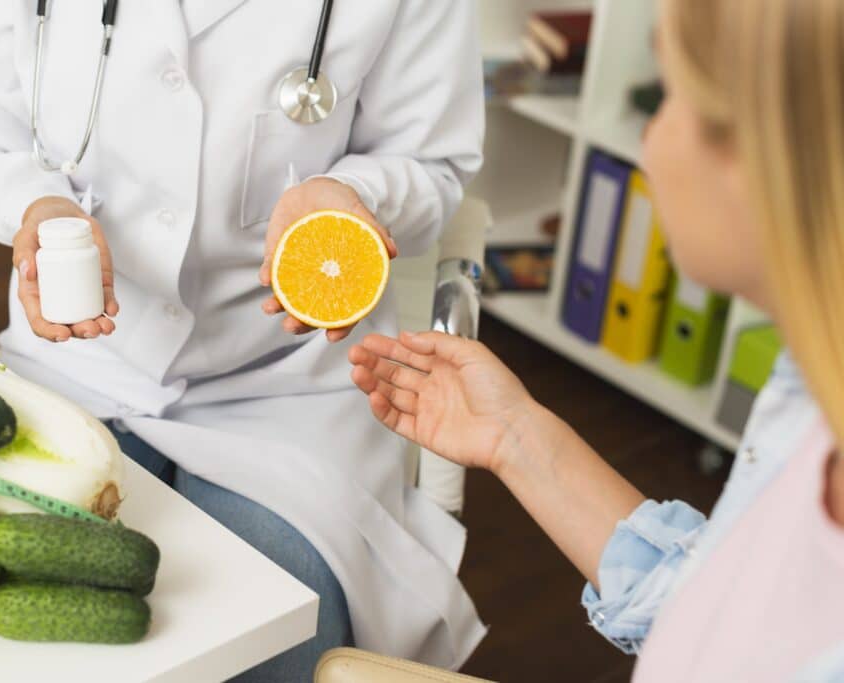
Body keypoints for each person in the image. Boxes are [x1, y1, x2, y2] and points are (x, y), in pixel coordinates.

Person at [0, 1, 486, 678]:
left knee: (278, 633)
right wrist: (36, 205)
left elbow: (432, 160)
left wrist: (351, 193)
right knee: (13, 633)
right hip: (75, 360)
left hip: (285, 379)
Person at [349, 0, 844, 679]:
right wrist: (515, 434)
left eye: (670, 97)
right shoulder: (807, 395)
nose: (647, 140)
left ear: (772, 154)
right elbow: (714, 608)